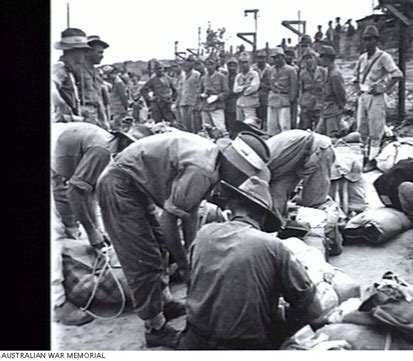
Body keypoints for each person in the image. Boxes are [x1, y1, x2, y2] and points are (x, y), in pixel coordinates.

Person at [96, 131, 270, 348]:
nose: (243, 182)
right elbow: (169, 221)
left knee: (160, 248)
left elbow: (190, 211)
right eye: (244, 175)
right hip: (120, 184)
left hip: (136, 185)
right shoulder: (202, 170)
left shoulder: (211, 164)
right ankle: (154, 328)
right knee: (142, 257)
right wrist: (185, 265)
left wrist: (192, 253)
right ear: (234, 165)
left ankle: (163, 303)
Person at [179, 171, 322, 349]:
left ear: (230, 206)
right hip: (243, 346)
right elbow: (314, 310)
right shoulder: (273, 246)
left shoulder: (204, 233)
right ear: (262, 217)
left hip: (193, 341)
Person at [51, 122, 153, 326]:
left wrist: (95, 229)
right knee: (53, 233)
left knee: (68, 233)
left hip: (57, 167)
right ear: (126, 142)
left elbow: (85, 190)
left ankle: (68, 275)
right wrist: (92, 232)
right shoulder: (104, 150)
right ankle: (58, 304)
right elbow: (75, 191)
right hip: (54, 164)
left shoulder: (109, 149)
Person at [353, 25, 403, 172]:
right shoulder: (362, 58)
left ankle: (372, 159)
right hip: (364, 96)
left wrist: (384, 88)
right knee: (361, 129)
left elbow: (397, 74)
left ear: (376, 40)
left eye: (370, 39)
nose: (367, 42)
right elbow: (355, 77)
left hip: (376, 97)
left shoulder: (383, 57)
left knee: (376, 129)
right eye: (365, 39)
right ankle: (362, 157)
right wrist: (358, 90)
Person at [267, 129, 335, 223]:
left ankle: (317, 229)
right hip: (291, 158)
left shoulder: (256, 166)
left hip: (317, 148)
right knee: (276, 197)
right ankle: (278, 226)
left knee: (313, 201)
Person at [51, 28, 91, 123]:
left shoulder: (69, 71)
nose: (84, 55)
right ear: (74, 51)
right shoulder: (60, 68)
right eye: (83, 51)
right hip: (61, 123)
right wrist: (61, 104)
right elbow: (51, 86)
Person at [316, 45, 347, 137]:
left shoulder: (334, 74)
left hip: (333, 110)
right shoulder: (329, 72)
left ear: (327, 58)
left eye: (322, 57)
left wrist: (340, 108)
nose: (320, 60)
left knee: (332, 136)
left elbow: (340, 93)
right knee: (319, 133)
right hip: (326, 110)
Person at [81, 35, 110, 130]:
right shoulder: (77, 70)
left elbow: (99, 100)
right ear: (88, 52)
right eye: (99, 52)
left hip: (95, 116)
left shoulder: (96, 73)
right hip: (82, 118)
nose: (102, 56)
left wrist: (105, 122)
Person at [267, 48, 298, 136]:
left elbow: (294, 86)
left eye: (278, 57)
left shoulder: (290, 70)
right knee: (272, 126)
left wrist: (291, 99)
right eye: (274, 58)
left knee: (284, 126)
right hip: (273, 99)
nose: (276, 60)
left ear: (283, 57)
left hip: (284, 99)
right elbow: (268, 82)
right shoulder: (271, 69)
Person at [199, 56, 230, 135]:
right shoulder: (203, 78)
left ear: (215, 65)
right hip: (205, 106)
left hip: (217, 106)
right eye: (207, 65)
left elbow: (226, 92)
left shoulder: (221, 77)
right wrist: (202, 95)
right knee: (206, 129)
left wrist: (217, 97)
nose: (209, 67)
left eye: (211, 64)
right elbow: (199, 91)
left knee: (221, 129)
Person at [298, 49, 327, 131]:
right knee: (306, 126)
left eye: (310, 57)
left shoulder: (322, 71)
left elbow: (326, 86)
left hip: (319, 100)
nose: (308, 60)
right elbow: (301, 89)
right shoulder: (302, 73)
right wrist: (301, 102)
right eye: (306, 58)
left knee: (320, 126)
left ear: (314, 58)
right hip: (307, 101)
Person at [234, 52, 260, 127]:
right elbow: (235, 89)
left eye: (246, 62)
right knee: (239, 123)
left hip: (250, 103)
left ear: (250, 63)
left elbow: (253, 88)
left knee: (250, 123)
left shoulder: (254, 74)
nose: (244, 64)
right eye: (242, 62)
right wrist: (244, 87)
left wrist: (242, 90)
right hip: (240, 103)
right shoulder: (238, 76)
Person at [177, 56, 201, 133]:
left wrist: (197, 101)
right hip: (183, 101)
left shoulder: (197, 74)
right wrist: (177, 102)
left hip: (193, 101)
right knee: (184, 123)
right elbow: (180, 89)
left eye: (189, 63)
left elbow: (199, 88)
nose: (186, 66)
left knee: (193, 123)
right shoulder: (182, 75)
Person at [102, 66, 129, 131]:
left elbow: (123, 96)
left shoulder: (119, 83)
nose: (108, 76)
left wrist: (126, 108)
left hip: (119, 109)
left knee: (118, 127)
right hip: (114, 109)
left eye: (109, 74)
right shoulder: (112, 82)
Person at [251, 50, 271, 130]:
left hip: (266, 95)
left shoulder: (269, 69)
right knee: (256, 115)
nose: (261, 60)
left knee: (266, 114)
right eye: (259, 58)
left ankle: (265, 129)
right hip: (254, 95)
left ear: (266, 59)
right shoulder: (252, 69)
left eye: (263, 58)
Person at [224, 57, 239, 134]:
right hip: (226, 102)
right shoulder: (225, 77)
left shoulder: (239, 76)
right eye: (230, 66)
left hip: (235, 101)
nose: (231, 68)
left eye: (234, 66)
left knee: (235, 120)